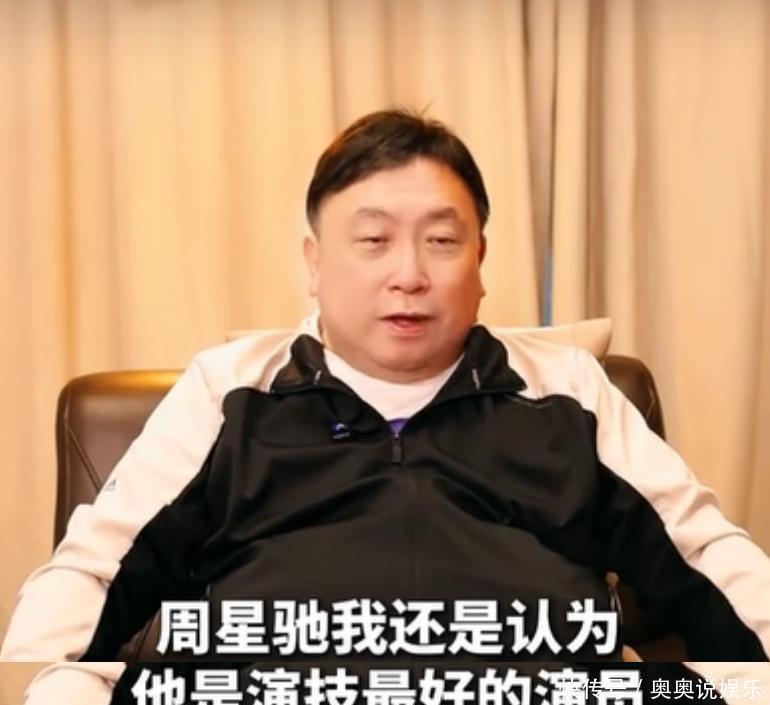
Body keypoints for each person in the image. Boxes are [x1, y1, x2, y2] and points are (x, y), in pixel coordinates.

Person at [2, 109, 769, 704]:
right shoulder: (229, 391)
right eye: (373, 241)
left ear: (480, 260)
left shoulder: (567, 390)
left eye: (441, 241)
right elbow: (90, 575)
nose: (409, 275)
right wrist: (47, 682)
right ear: (314, 262)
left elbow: (711, 561)